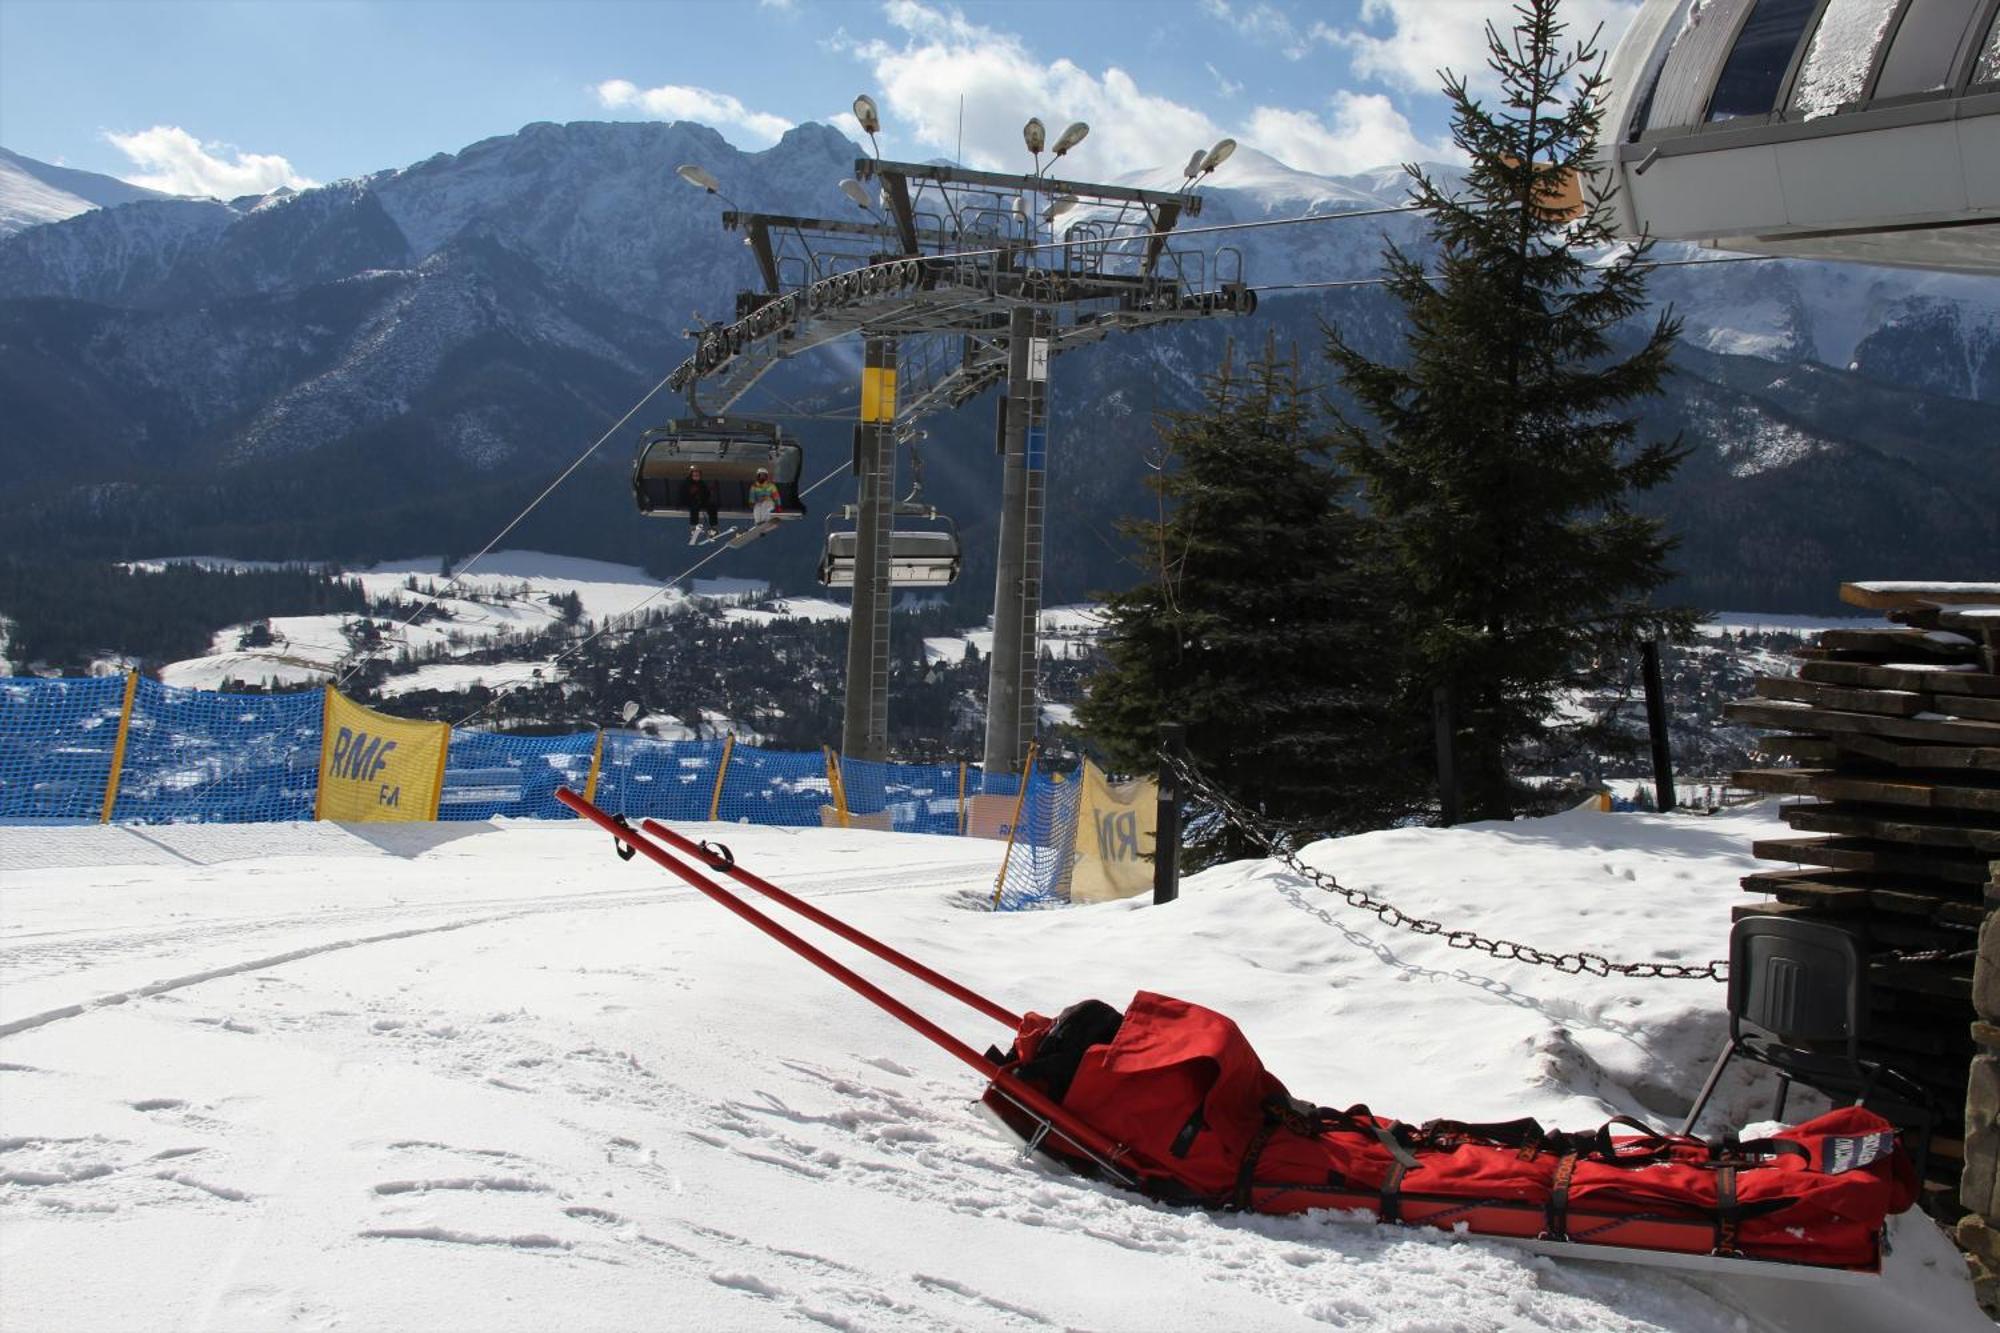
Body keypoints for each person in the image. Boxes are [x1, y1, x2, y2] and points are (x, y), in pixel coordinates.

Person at [681, 465, 718, 543]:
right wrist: (693, 496)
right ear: (691, 476)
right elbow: (685, 494)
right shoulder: (687, 483)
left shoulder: (701, 483)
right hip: (690, 501)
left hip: (701, 501)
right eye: (695, 475)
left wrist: (708, 493)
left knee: (712, 507)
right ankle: (693, 527)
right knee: (694, 508)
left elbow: (706, 493)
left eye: (698, 476)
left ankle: (713, 527)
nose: (697, 477)